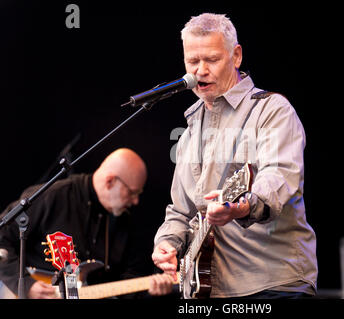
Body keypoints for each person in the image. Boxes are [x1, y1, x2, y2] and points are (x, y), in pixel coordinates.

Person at [152, 13, 318, 298]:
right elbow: (181, 210)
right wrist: (167, 244)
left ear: (236, 56)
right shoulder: (189, 132)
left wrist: (239, 207)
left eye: (212, 60)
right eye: (192, 62)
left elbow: (277, 177)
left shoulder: (271, 110)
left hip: (271, 284)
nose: (200, 71)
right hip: (208, 290)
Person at [0, 148, 173, 299]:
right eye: (132, 192)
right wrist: (25, 285)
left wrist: (150, 290)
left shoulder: (124, 221)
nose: (135, 201)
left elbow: (127, 282)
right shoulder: (55, 196)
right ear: (110, 181)